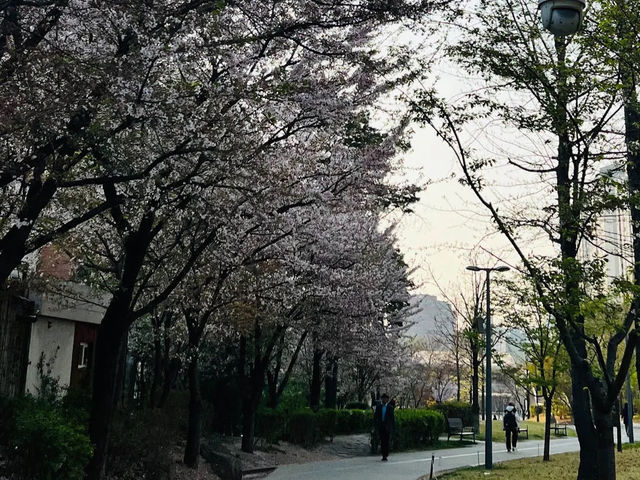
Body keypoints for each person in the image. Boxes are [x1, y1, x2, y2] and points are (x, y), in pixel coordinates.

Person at [374, 393, 395, 461]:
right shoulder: (379, 407)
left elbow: (392, 419)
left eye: (385, 398)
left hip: (387, 427)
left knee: (387, 441)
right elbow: (375, 417)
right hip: (381, 426)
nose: (384, 400)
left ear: (387, 399)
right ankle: (383, 455)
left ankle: (386, 454)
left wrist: (392, 428)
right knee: (382, 441)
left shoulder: (390, 408)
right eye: (383, 398)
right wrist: (376, 425)